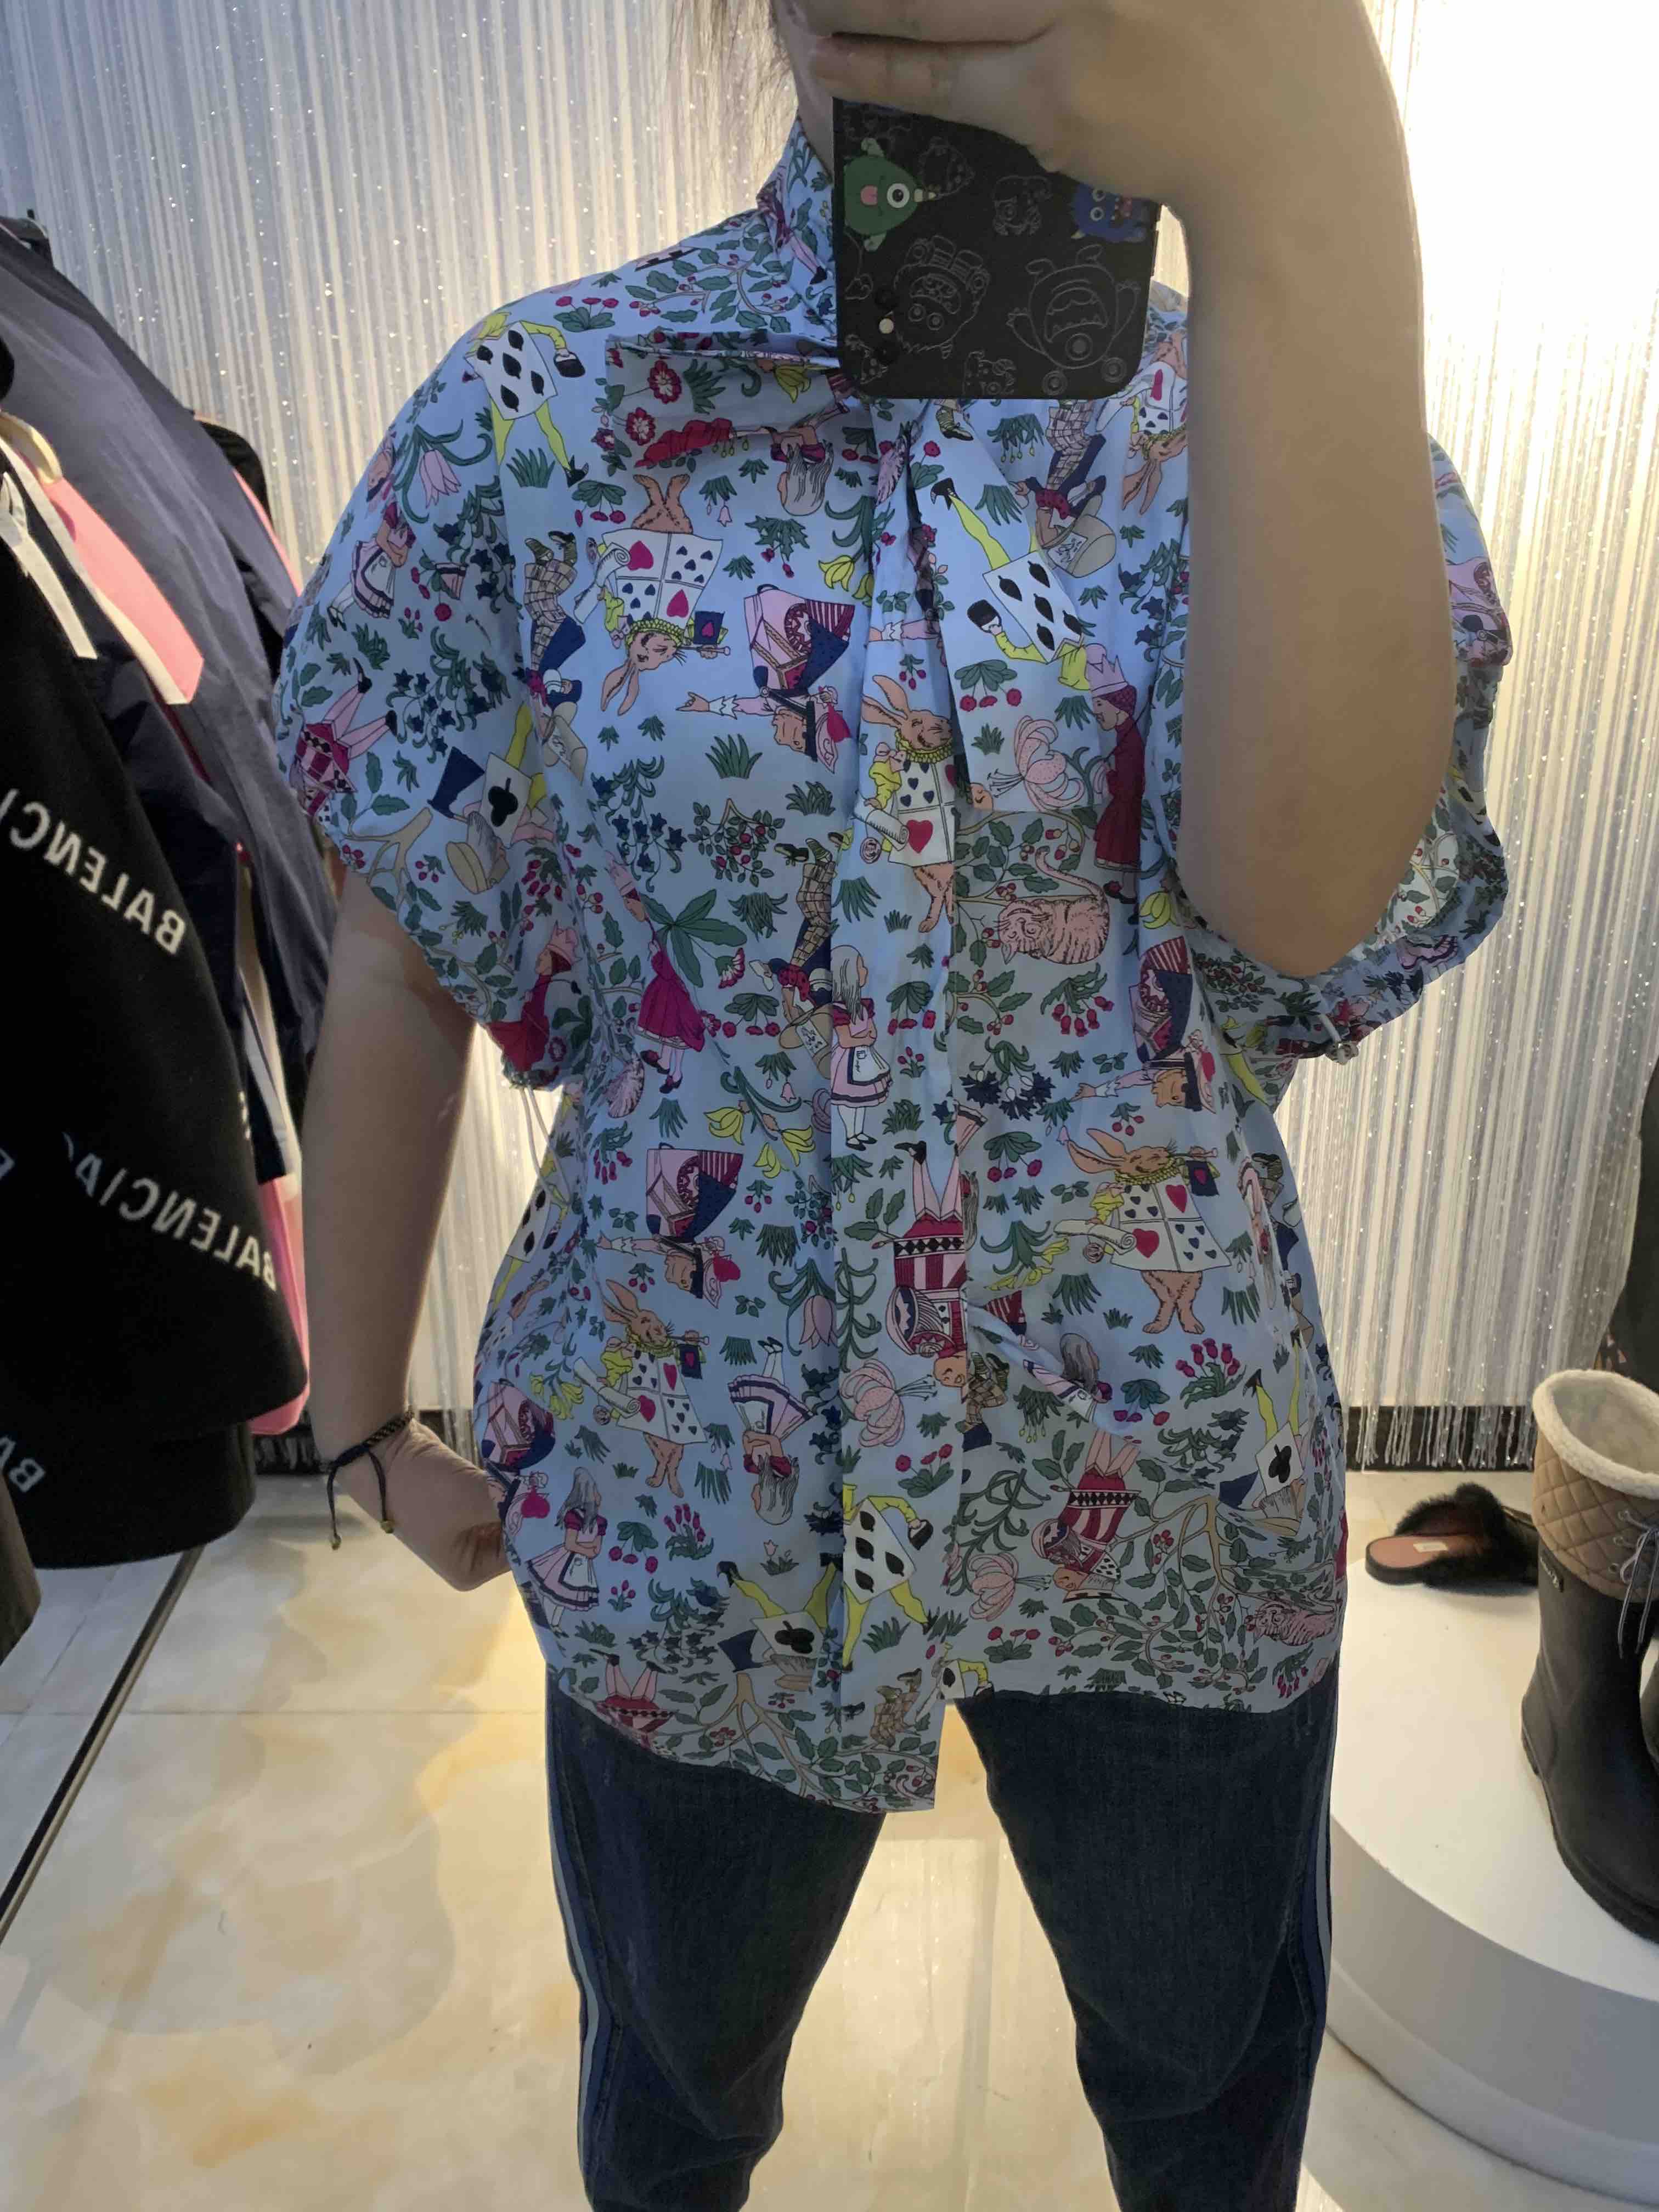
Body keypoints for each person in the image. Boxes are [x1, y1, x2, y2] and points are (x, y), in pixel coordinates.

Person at [274, 3, 1515, 2206]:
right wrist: (360, 1414)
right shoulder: (546, 417)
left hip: (1153, 1486)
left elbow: (1304, 902)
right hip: (695, 1497)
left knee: (1206, 2098)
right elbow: (405, 933)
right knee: (674, 2102)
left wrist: (1310, 171)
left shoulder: (1259, 422)